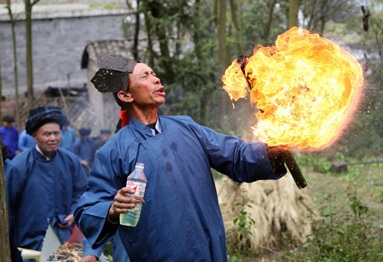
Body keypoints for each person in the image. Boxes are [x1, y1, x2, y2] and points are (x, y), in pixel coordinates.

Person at [75, 54, 287, 261]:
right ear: (126, 95)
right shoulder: (113, 151)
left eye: (154, 73)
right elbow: (87, 210)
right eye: (145, 76)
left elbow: (237, 156)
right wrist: (112, 209)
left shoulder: (187, 127)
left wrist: (274, 150)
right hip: (162, 253)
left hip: (211, 249)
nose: (156, 79)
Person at [4, 106, 100, 262]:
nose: (53, 138)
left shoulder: (70, 161)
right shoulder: (19, 166)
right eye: (47, 134)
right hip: (31, 244)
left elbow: (83, 192)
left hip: (66, 240)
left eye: (56, 133)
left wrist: (74, 211)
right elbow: (8, 209)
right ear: (35, 136)